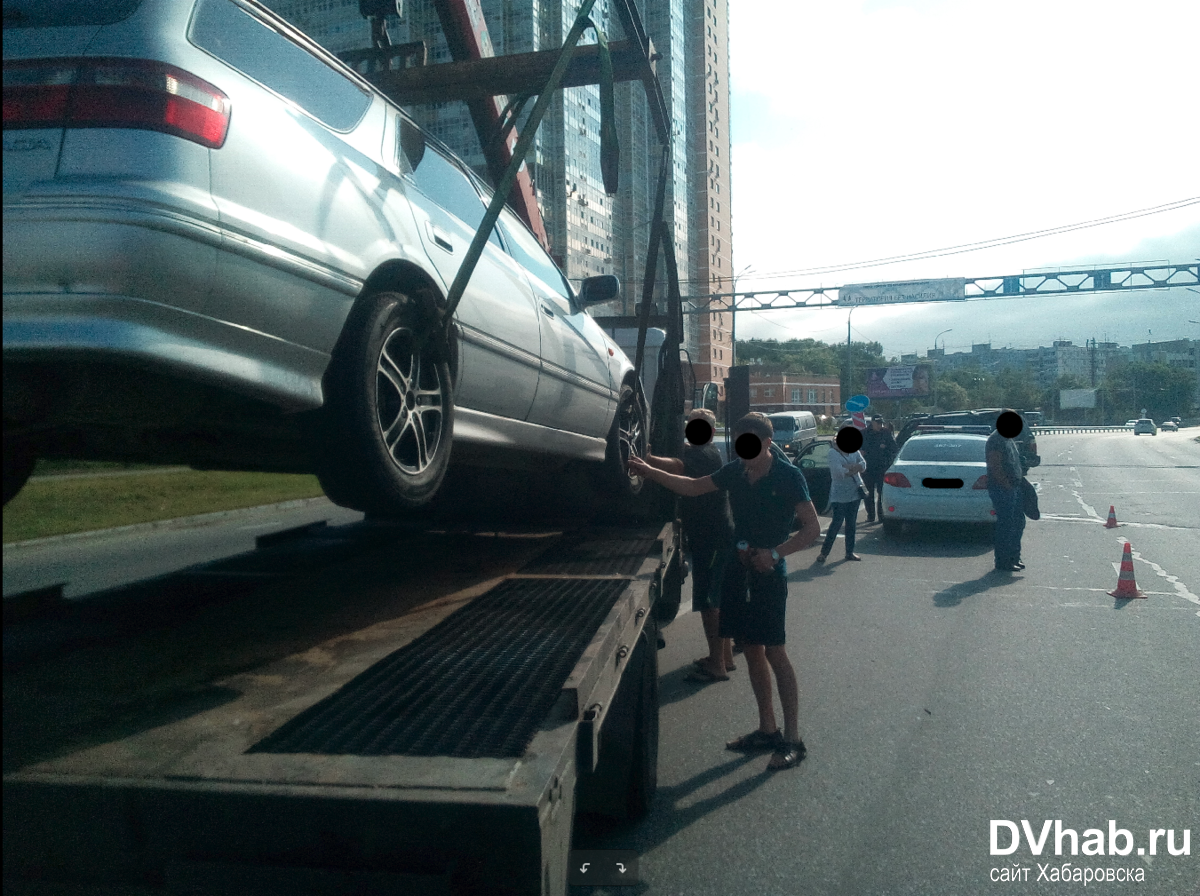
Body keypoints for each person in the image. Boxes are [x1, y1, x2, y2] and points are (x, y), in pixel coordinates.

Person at [629, 413, 821, 771]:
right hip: (738, 570)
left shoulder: (787, 475)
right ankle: (767, 728)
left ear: (766, 443)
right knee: (751, 650)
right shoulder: (737, 471)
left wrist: (777, 553)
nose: (743, 452)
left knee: (775, 652)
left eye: (750, 445)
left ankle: (793, 740)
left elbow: (811, 529)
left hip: (769, 574)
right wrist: (648, 470)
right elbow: (692, 486)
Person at [640, 408, 735, 682]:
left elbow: (677, 467)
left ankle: (717, 664)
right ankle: (724, 658)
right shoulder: (710, 452)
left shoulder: (701, 454)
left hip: (712, 538)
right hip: (715, 535)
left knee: (709, 602)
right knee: (715, 598)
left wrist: (648, 461)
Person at [817, 427, 867, 562]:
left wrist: (850, 468)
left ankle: (849, 552)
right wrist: (854, 468)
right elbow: (838, 473)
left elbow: (863, 465)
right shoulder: (833, 453)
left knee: (851, 524)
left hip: (855, 493)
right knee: (836, 523)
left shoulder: (854, 451)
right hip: (839, 495)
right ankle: (824, 553)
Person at [986, 410, 1026, 572]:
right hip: (1002, 489)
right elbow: (995, 466)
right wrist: (1007, 485)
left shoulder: (1007, 437)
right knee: (1007, 526)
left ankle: (1014, 556)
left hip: (1013, 487)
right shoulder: (996, 440)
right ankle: (1004, 561)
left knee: (1017, 523)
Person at [860, 415, 897, 523]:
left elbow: (894, 448)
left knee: (882, 492)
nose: (880, 425)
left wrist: (886, 450)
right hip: (868, 468)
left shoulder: (885, 433)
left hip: (882, 467)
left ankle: (881, 516)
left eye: (881, 423)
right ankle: (870, 515)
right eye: (878, 423)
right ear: (872, 423)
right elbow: (859, 449)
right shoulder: (864, 434)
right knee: (868, 493)